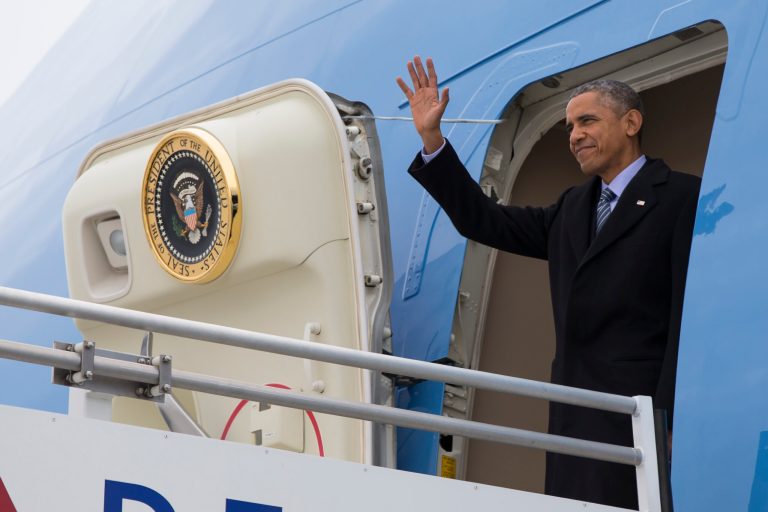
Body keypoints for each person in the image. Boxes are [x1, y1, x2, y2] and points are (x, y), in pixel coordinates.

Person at [397, 56, 699, 508]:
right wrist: (432, 140)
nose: (575, 136)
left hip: (642, 417)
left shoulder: (681, 197)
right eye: (569, 127)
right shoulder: (572, 208)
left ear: (632, 122)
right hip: (574, 417)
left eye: (587, 121)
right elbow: (485, 221)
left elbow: (686, 319)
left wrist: (675, 417)